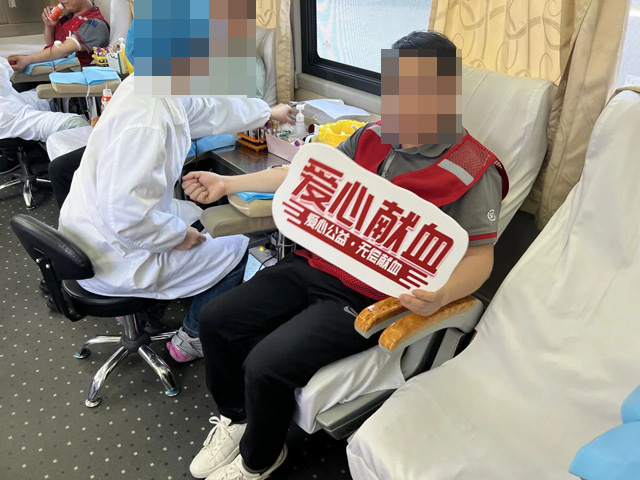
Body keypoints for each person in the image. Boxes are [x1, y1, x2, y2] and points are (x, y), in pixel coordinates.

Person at [182, 31, 508, 480]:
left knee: (266, 364)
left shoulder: (473, 169)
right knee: (217, 319)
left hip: (370, 294)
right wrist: (227, 184)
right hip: (316, 264)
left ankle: (260, 459)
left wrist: (442, 294)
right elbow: (305, 172)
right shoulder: (372, 135)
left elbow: (479, 257)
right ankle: (237, 418)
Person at [57, 73, 295, 363]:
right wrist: (177, 237)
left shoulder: (148, 85)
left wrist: (266, 112)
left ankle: (143, 311)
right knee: (242, 246)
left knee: (196, 215)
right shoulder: (147, 121)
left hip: (90, 233)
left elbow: (206, 111)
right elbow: (125, 215)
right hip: (115, 255)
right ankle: (192, 337)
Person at [0, 56, 88, 174]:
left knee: (50, 95)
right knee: (75, 124)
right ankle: (80, 173)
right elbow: (4, 77)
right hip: (10, 116)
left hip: (10, 102)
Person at [9, 0, 109, 76]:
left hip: (72, 77)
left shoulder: (94, 25)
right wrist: (49, 26)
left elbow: (63, 49)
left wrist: (29, 59)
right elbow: (52, 45)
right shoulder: (69, 17)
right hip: (55, 70)